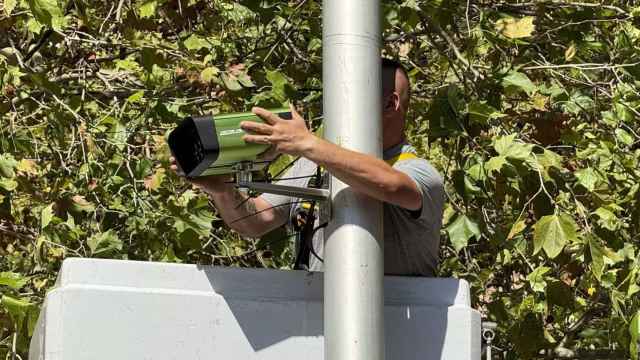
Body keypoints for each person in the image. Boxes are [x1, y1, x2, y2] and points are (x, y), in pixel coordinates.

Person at [171, 59, 444, 276]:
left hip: (404, 333)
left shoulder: (420, 172)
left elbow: (391, 185)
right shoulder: (313, 163)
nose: (341, 103)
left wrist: (307, 143)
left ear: (389, 103)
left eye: (354, 94)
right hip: (320, 324)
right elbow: (255, 221)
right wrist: (222, 191)